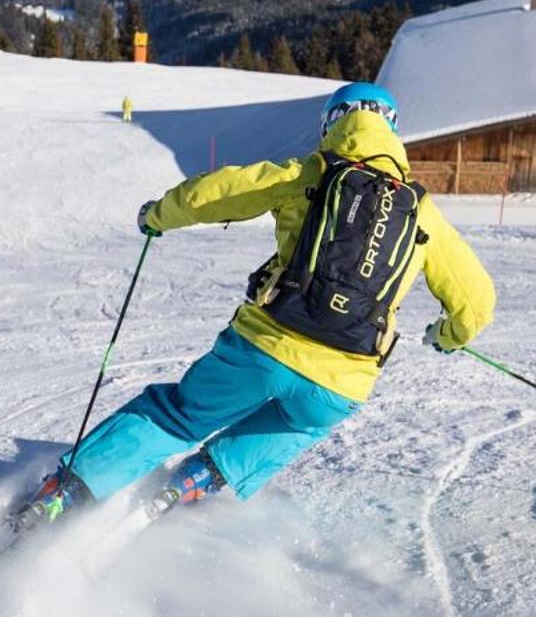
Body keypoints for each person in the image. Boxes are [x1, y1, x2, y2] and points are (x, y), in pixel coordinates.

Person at [28, 82, 495, 520]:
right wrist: (447, 337)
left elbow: (216, 192)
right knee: (302, 425)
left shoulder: (311, 174)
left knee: (179, 415)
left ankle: (65, 493)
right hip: (342, 380)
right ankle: (199, 478)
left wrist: (158, 216)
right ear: (393, 129)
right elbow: (476, 303)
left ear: (332, 124)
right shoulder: (422, 210)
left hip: (266, 346)